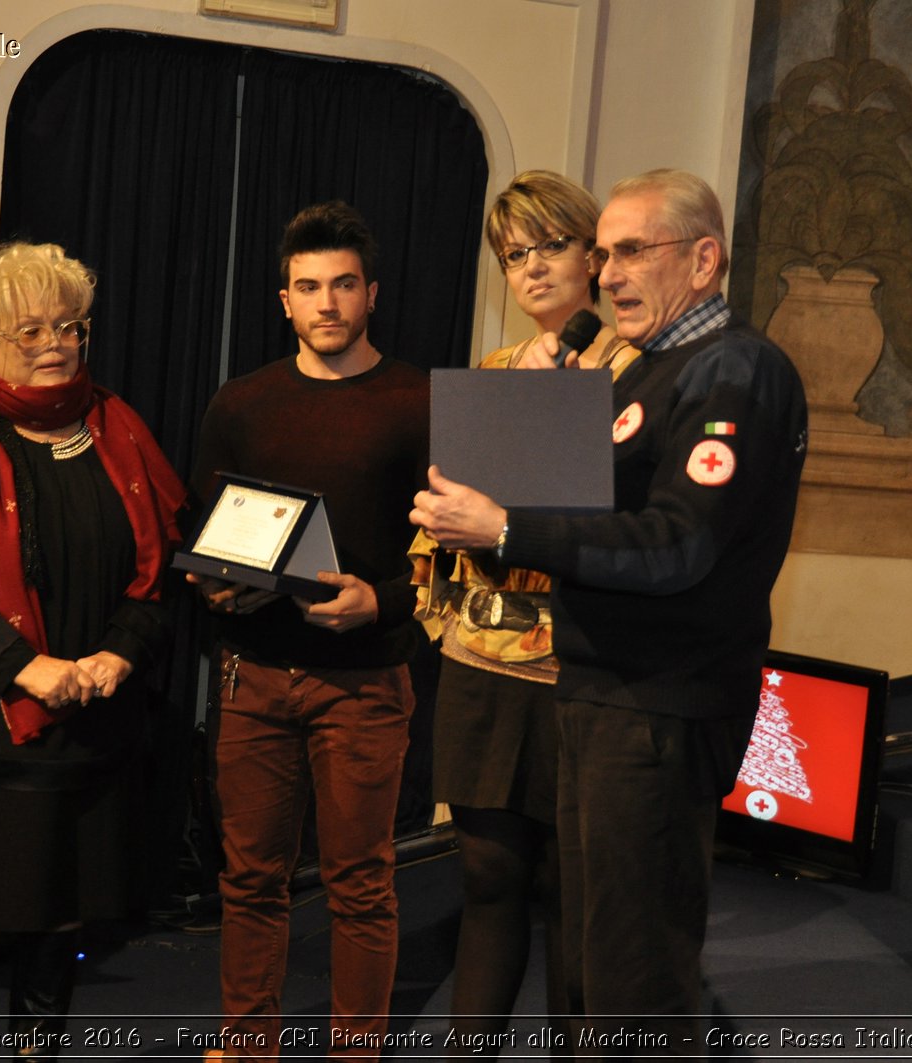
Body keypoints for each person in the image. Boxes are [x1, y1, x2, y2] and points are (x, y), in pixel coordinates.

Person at [411, 169, 808, 1053]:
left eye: (632, 250)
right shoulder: (652, 370)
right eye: (605, 254)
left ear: (704, 260)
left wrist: (506, 526)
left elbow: (675, 545)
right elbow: (592, 515)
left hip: (660, 705)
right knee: (591, 966)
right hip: (598, 696)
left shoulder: (734, 370)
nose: (609, 272)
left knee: (636, 981)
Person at [0, 242, 185, 1061]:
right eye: (30, 329)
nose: (55, 341)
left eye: (69, 325)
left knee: (61, 913)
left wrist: (118, 657)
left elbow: (158, 566)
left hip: (90, 720)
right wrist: (31, 668)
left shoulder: (119, 427)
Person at [188, 202, 428, 1059]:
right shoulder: (241, 402)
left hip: (365, 680)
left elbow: (453, 552)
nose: (326, 302)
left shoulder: (419, 399)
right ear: (283, 299)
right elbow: (209, 531)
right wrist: (216, 589)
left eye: (343, 285)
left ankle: (354, 1050)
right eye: (308, 287)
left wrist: (383, 600)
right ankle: (247, 1043)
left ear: (372, 294)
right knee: (250, 879)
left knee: (361, 883)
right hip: (252, 675)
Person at [409, 171, 635, 1053]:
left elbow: (636, 524)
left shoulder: (636, 371)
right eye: (514, 255)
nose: (532, 268)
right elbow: (442, 525)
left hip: (583, 668)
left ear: (594, 254)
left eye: (549, 246)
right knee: (488, 875)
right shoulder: (493, 375)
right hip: (483, 664)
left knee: (573, 892)